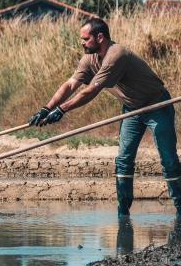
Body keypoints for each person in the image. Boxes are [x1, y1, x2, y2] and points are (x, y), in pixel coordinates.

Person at [29, 17, 181, 218]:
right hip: (132, 109)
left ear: (99, 37)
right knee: (124, 160)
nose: (82, 43)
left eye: (85, 39)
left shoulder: (117, 55)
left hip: (157, 105)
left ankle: (180, 210)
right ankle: (123, 213)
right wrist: (46, 108)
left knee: (168, 159)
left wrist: (62, 110)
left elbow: (92, 90)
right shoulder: (89, 59)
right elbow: (70, 84)